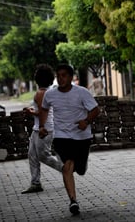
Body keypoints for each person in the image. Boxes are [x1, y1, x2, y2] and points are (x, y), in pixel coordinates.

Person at [39, 64, 99, 215]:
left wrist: (86, 121)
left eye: (64, 75)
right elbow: (44, 109)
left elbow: (95, 110)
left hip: (81, 137)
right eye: (58, 76)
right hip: (61, 137)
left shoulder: (82, 93)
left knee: (80, 169)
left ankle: (82, 165)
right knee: (67, 166)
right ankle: (73, 201)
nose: (60, 78)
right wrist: (41, 126)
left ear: (71, 77)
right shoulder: (50, 94)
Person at [21, 64, 64, 194]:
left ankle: (64, 169)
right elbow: (42, 110)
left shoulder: (41, 93)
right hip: (39, 128)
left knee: (43, 155)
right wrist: (33, 112)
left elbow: (42, 113)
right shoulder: (48, 91)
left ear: (38, 78)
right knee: (32, 155)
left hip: (44, 128)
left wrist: (31, 112)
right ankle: (35, 183)